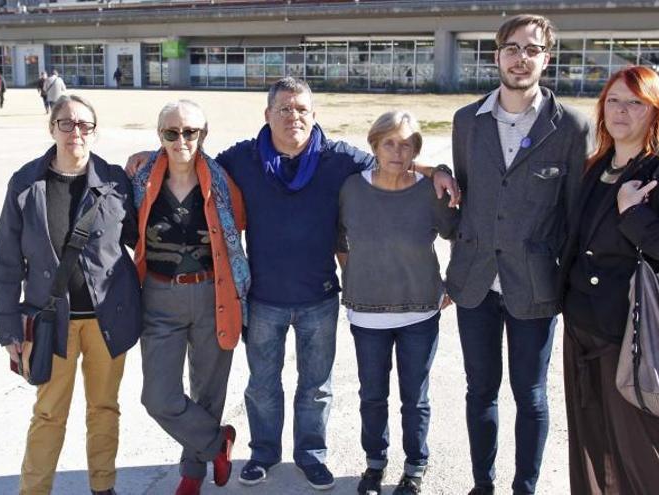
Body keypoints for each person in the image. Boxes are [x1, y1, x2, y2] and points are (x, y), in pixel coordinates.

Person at [125, 77, 457, 491]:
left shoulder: (338, 159)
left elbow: (391, 160)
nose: (293, 116)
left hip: (318, 296)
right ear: (267, 115)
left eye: (301, 109)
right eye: (283, 108)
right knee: (262, 386)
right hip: (264, 297)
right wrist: (150, 153)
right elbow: (191, 160)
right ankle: (263, 453)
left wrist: (435, 170)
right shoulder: (242, 159)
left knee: (316, 389)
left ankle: (311, 455)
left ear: (314, 115)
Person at [447, 14, 591, 495]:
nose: (521, 57)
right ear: (497, 56)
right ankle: (482, 485)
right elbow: (466, 191)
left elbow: (574, 215)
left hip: (534, 285)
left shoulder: (570, 127)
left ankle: (524, 487)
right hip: (476, 284)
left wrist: (568, 284)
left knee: (530, 396)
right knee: (480, 391)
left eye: (532, 49)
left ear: (546, 59)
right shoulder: (467, 121)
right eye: (512, 48)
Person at [558, 66, 659, 494]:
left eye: (635, 102)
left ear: (655, 112)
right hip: (582, 328)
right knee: (592, 444)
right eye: (614, 100)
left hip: (633, 336)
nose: (622, 110)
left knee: (642, 454)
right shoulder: (595, 166)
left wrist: (636, 216)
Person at [0, 94, 141, 495]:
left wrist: (155, 160)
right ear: (52, 127)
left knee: (104, 409)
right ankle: (34, 490)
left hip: (107, 320)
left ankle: (103, 487)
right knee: (48, 413)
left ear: (94, 131)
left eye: (84, 125)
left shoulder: (114, 182)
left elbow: (140, 237)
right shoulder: (26, 183)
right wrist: (9, 331)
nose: (76, 132)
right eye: (67, 123)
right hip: (50, 322)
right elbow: (6, 262)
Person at [337, 111, 458, 495]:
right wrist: (353, 272)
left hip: (420, 310)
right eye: (389, 142)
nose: (397, 150)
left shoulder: (430, 191)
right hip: (367, 312)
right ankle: (374, 465)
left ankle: (415, 467)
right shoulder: (351, 189)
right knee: (372, 395)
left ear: (415, 151)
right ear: (374, 145)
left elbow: (460, 232)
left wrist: (452, 284)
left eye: (406, 144)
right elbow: (338, 238)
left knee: (414, 397)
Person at [131, 99, 249, 495]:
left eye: (190, 132)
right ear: (159, 135)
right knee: (158, 397)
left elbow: (241, 225)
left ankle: (192, 474)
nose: (181, 140)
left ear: (204, 134)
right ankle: (218, 443)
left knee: (208, 389)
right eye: (171, 132)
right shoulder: (139, 181)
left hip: (213, 292)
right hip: (160, 297)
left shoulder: (222, 183)